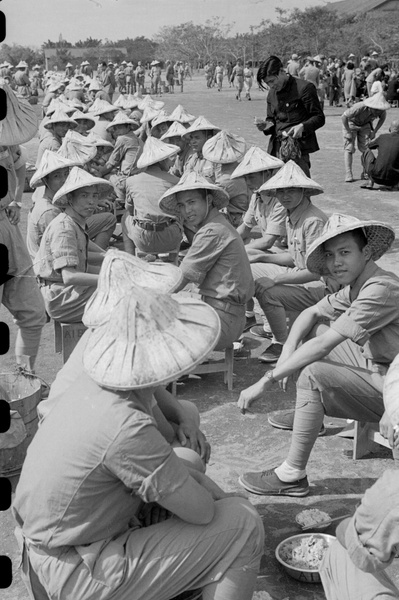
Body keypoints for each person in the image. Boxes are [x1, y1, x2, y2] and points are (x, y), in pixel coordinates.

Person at [12, 268, 264, 600]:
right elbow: (201, 510)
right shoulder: (125, 424)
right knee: (243, 524)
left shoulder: (96, 385)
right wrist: (226, 497)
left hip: (48, 549)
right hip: (71, 573)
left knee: (186, 484)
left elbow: (159, 467)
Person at [237, 213, 399, 497]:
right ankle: (311, 413)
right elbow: (310, 313)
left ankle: (292, 474)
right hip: (382, 366)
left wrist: (268, 378)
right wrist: (287, 351)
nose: (336, 262)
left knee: (313, 370)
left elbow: (325, 346)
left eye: (345, 252)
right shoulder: (359, 284)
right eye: (331, 254)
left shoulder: (382, 288)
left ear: (367, 252)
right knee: (315, 330)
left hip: (393, 383)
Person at [319, 354, 399, 600]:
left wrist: (352, 524)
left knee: (340, 554)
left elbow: (360, 554)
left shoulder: (392, 494)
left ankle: (292, 473)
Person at [248, 160, 337, 364]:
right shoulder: (294, 213)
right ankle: (257, 319)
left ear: (303, 191)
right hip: (302, 273)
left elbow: (316, 271)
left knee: (268, 291)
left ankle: (282, 342)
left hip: (322, 286)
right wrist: (261, 256)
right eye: (281, 191)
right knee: (249, 269)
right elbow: (296, 257)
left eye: (291, 191)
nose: (285, 196)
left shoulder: (312, 220)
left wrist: (277, 279)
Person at [159, 171, 255, 351]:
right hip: (225, 313)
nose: (187, 211)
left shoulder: (212, 231)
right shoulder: (216, 224)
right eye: (182, 205)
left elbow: (182, 278)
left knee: (153, 319)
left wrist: (149, 296)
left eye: (192, 202)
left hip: (222, 320)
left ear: (209, 201)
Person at [0, 80, 46, 372]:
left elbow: (18, 163)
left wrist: (16, 200)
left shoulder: (8, 138)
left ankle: (25, 377)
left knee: (33, 311)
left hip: (6, 226)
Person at [34, 167, 113, 322]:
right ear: (70, 198)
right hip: (61, 299)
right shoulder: (64, 227)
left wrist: (111, 265)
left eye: (94, 196)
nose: (91, 201)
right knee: (125, 299)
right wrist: (109, 278)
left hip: (66, 292)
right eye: (84, 196)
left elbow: (81, 263)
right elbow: (69, 276)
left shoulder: (74, 224)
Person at [255, 55, 325, 176]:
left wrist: (303, 126)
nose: (271, 86)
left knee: (298, 192)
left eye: (272, 81)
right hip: (276, 151)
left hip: (298, 152)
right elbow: (271, 120)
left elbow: (319, 117)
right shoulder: (272, 93)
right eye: (267, 83)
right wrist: (265, 126)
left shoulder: (304, 88)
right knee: (276, 191)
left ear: (282, 71)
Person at [124, 136, 182, 258]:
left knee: (125, 218)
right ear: (162, 160)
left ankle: (129, 258)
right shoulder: (176, 181)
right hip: (170, 237)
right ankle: (177, 256)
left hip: (144, 239)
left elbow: (130, 209)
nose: (171, 162)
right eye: (167, 159)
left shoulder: (131, 181)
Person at [202, 129, 250, 227]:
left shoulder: (228, 179)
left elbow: (212, 201)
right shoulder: (239, 168)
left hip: (235, 218)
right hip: (239, 214)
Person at [341, 91, 390, 183]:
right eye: (375, 110)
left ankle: (366, 172)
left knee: (366, 148)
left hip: (365, 125)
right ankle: (348, 173)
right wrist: (348, 131)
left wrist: (374, 131)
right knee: (349, 147)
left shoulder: (381, 110)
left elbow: (382, 119)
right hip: (351, 123)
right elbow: (344, 117)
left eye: (379, 110)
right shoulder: (359, 107)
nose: (377, 112)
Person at [361, 119, 399, 190]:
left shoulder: (382, 137)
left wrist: (368, 141)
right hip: (393, 179)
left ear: (390, 128)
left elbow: (368, 147)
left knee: (366, 152)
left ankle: (370, 181)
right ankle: (397, 184)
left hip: (376, 176)